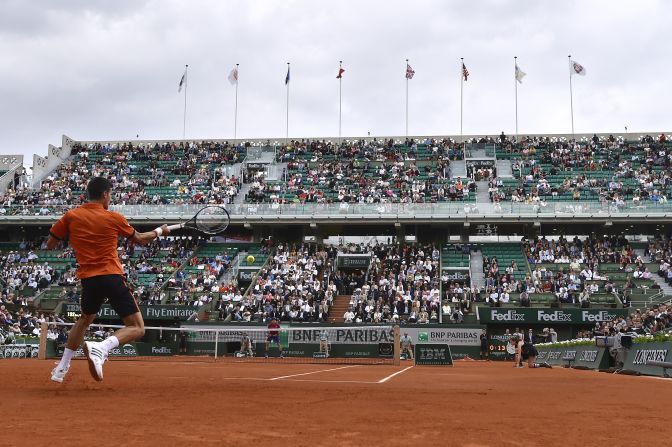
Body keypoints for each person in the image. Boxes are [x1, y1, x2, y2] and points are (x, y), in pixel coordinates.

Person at [48, 177, 170, 383]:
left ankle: (61, 367)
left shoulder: (70, 216)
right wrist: (160, 231)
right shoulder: (113, 217)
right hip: (111, 276)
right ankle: (101, 347)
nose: (110, 198)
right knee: (138, 327)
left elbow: (51, 244)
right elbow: (140, 238)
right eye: (110, 194)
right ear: (105, 194)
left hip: (89, 279)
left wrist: (75, 237)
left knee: (85, 319)